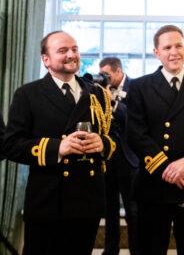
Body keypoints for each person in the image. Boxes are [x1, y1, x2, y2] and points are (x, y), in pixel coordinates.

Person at [3, 31, 116, 255]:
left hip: (87, 199)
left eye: (74, 49)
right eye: (62, 50)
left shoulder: (98, 94)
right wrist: (58, 148)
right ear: (46, 60)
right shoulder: (28, 94)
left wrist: (102, 143)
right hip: (47, 199)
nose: (71, 54)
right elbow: (10, 145)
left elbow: (115, 140)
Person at [127, 24, 184, 255]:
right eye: (167, 47)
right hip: (153, 186)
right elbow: (136, 135)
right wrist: (171, 170)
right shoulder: (139, 86)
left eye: (178, 45)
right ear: (156, 52)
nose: (174, 52)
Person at [99, 57, 140, 255]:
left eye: (107, 74)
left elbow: (133, 119)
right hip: (107, 159)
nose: (104, 78)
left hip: (129, 158)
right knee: (109, 211)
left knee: (133, 211)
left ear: (118, 71)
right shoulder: (99, 90)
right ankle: (110, 251)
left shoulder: (136, 88)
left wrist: (112, 100)